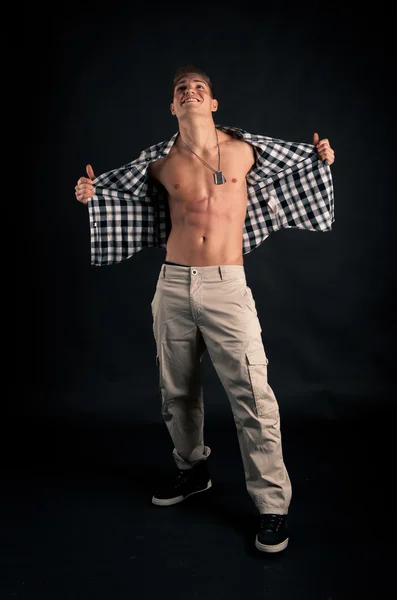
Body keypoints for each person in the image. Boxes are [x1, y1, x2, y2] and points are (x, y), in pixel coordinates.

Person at [75, 64, 335, 554]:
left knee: (254, 396)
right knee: (176, 390)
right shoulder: (159, 163)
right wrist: (90, 193)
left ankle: (272, 506)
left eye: (199, 88)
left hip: (226, 285)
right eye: (181, 90)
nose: (190, 92)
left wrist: (321, 157)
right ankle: (192, 471)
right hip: (172, 284)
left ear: (213, 103)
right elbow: (114, 191)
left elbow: (300, 166)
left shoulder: (245, 150)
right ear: (173, 107)